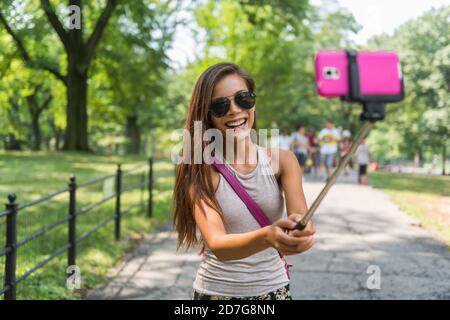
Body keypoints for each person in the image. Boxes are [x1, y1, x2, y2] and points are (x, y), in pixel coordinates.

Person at [173, 62, 315, 300]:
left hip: (274, 290)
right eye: (220, 105)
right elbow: (218, 244)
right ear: (206, 115)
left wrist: (302, 228)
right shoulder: (200, 170)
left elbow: (299, 217)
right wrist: (267, 236)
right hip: (217, 293)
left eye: (243, 98)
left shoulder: (284, 161)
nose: (235, 110)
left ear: (254, 102)